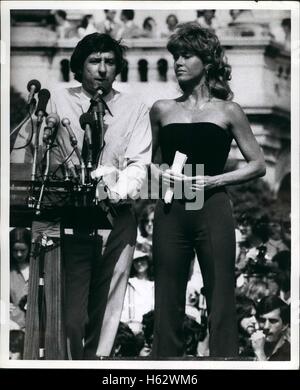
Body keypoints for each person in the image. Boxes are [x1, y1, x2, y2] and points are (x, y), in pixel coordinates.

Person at [150, 22, 266, 358]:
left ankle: (223, 361)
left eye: (186, 55)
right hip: (171, 207)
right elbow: (149, 162)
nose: (178, 62)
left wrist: (216, 180)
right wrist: (159, 173)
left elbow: (257, 164)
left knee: (220, 293)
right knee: (167, 294)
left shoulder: (229, 111)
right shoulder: (161, 109)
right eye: (176, 56)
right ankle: (165, 368)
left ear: (207, 61)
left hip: (213, 205)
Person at [40, 33, 151, 359]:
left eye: (110, 62)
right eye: (94, 61)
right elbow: (44, 157)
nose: (102, 69)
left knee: (106, 315)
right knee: (72, 316)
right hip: (72, 221)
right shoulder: (57, 103)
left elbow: (139, 164)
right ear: (79, 65)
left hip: (117, 220)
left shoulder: (135, 108)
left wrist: (112, 191)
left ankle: (97, 365)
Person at [251, 296, 290, 360]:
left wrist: (260, 353)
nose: (266, 327)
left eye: (273, 321)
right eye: (262, 320)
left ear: (284, 325)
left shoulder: (290, 355)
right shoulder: (249, 351)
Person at [10, 228, 31, 331]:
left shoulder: (37, 268)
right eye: (15, 250)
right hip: (13, 326)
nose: (18, 254)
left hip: (35, 326)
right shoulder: (6, 270)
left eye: (22, 250)